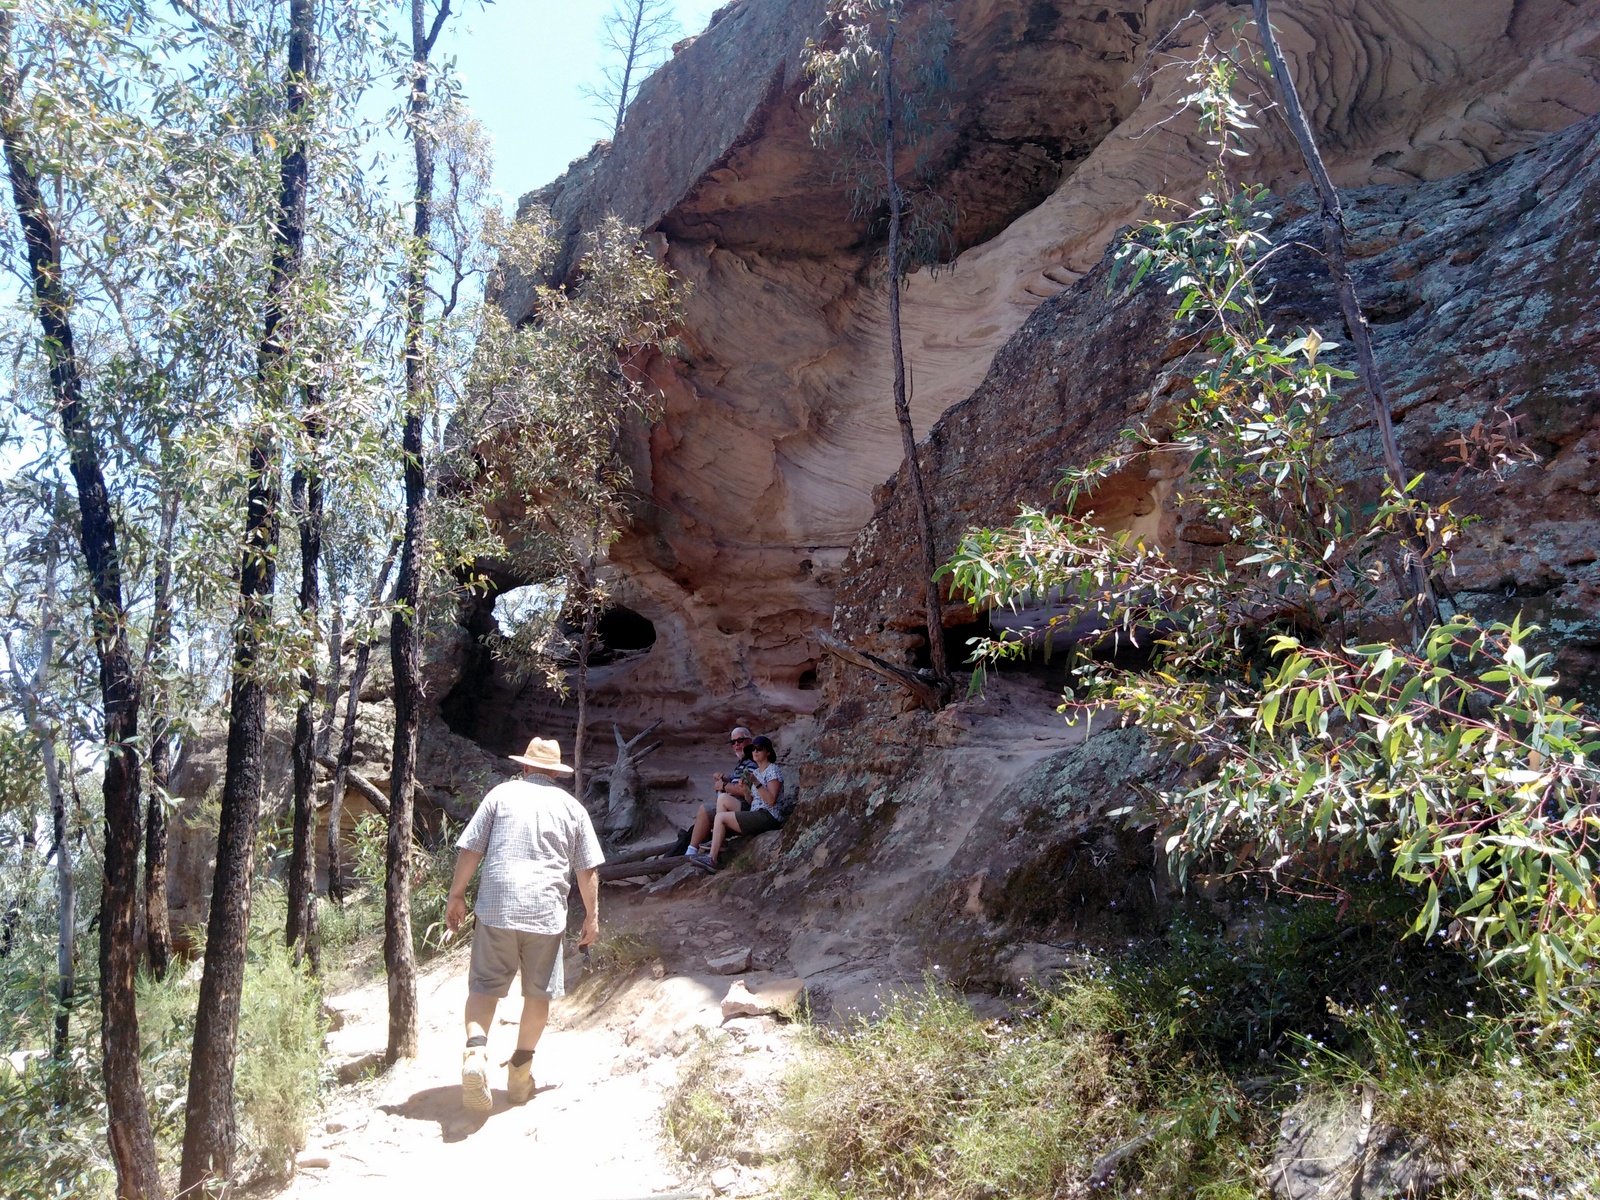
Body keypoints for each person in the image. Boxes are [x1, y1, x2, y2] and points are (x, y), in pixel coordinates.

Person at [446, 735, 603, 1113]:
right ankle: (519, 1075)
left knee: (484, 987)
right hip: (544, 912)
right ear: (556, 773)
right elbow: (587, 870)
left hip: (496, 906)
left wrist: (457, 893)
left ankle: (476, 1055)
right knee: (538, 994)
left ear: (526, 767)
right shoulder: (573, 809)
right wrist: (592, 917)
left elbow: (472, 849)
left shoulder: (500, 795)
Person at [690, 735, 783, 871]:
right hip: (756, 812)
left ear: (768, 752)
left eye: (759, 749)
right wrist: (746, 789)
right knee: (722, 801)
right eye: (753, 749)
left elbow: (771, 800)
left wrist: (756, 783)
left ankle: (712, 859)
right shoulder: (756, 771)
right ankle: (719, 843)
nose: (755, 752)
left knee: (720, 817)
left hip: (768, 816)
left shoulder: (773, 770)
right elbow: (750, 801)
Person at [675, 725, 756, 856]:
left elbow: (747, 790)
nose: (736, 745)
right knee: (705, 811)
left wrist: (724, 786)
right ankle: (691, 851)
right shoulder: (743, 762)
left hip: (746, 806)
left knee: (706, 809)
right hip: (735, 803)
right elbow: (736, 780)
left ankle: (697, 850)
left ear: (749, 741)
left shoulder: (753, 761)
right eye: (733, 742)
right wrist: (724, 778)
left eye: (740, 740)